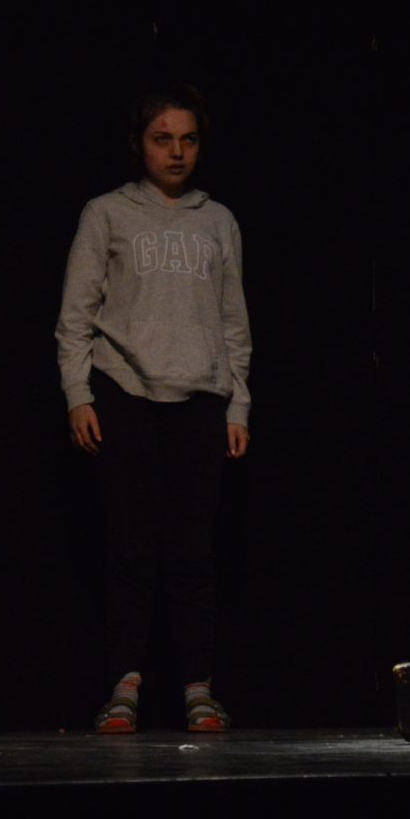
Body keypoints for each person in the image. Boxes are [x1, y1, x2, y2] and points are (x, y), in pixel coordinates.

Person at [55, 86, 252, 733]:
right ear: (140, 144)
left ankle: (199, 688)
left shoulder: (217, 220)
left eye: (188, 139)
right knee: (131, 550)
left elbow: (233, 323)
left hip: (201, 399)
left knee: (194, 554)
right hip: (126, 396)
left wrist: (238, 405)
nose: (176, 151)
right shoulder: (106, 214)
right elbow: (75, 319)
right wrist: (79, 394)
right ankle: (124, 689)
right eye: (162, 139)